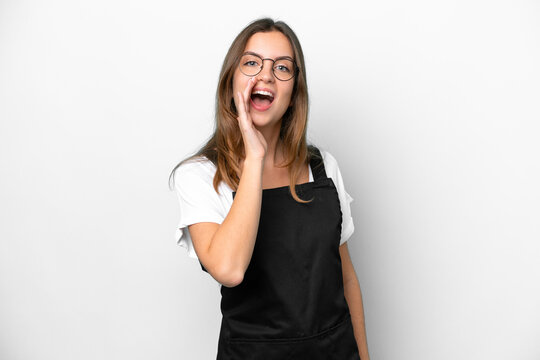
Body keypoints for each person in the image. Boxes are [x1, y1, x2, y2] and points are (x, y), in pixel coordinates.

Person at [169, 17, 370, 360]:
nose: (265, 75)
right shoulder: (200, 175)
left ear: (293, 94)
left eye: (282, 67)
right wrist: (254, 158)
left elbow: (346, 277)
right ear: (231, 82)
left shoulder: (323, 167)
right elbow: (229, 269)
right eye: (251, 63)